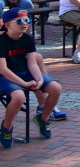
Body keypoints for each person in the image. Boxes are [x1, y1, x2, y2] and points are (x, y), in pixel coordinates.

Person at [0, 9, 62, 147]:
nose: (24, 24)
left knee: (56, 88)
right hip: (6, 76)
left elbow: (32, 63)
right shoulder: (1, 41)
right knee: (18, 97)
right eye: (20, 21)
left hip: (25, 72)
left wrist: (39, 79)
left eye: (27, 20)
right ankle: (6, 127)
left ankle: (43, 118)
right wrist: (24, 83)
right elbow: (3, 69)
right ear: (8, 25)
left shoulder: (27, 38)